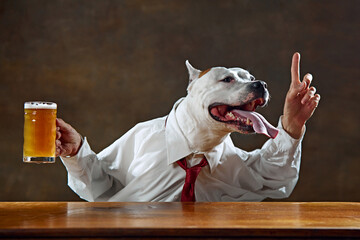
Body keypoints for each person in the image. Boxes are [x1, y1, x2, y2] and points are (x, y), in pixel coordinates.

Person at [56, 53, 320, 202]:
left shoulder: (229, 160)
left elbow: (273, 180)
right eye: (227, 79)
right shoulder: (144, 138)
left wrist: (291, 125)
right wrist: (76, 152)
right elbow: (99, 188)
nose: (250, 83)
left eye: (248, 79)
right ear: (193, 86)